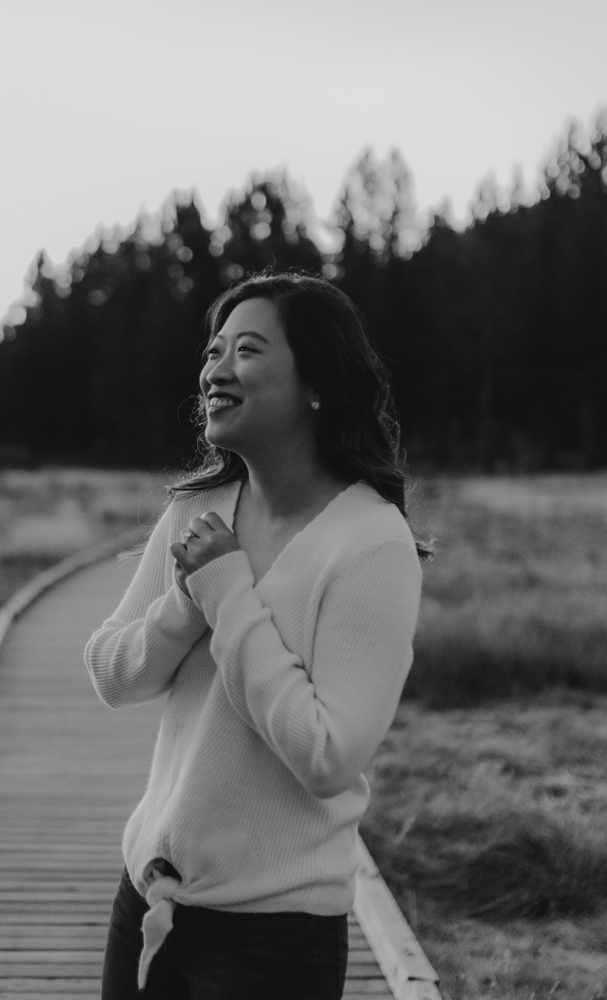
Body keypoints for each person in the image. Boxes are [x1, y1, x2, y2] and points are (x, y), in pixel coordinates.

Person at [84, 271, 428, 999]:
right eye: (213, 351)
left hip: (275, 937)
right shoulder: (197, 510)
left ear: (316, 384)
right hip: (148, 899)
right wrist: (185, 602)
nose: (215, 368)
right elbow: (113, 675)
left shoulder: (371, 544)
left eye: (247, 350)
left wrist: (229, 593)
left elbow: (329, 755)